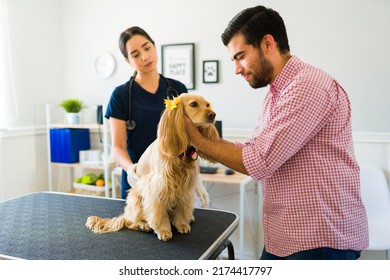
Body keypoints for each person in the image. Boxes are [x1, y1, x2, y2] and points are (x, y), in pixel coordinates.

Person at [184, 6, 369, 260]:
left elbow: (259, 161)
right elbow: (254, 148)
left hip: (319, 239)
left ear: (267, 43)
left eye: (240, 56)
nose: (236, 69)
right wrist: (208, 140)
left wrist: (195, 140)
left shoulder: (306, 86)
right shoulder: (278, 92)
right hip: (290, 236)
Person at [105, 26, 188, 199]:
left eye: (147, 47)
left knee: (176, 224)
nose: (144, 56)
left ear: (155, 47)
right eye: (135, 54)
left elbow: (188, 135)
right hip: (140, 180)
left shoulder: (178, 90)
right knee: (137, 223)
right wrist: (131, 169)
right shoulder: (120, 95)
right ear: (128, 61)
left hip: (173, 177)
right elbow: (117, 147)